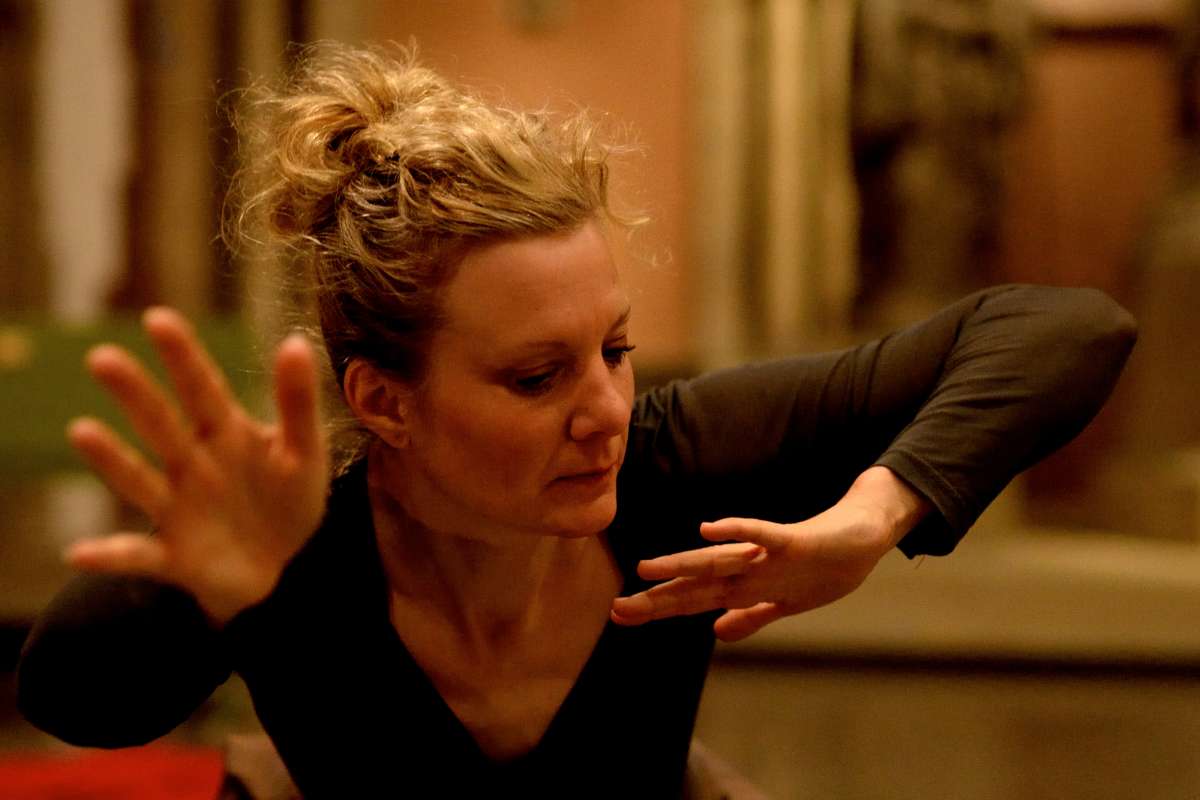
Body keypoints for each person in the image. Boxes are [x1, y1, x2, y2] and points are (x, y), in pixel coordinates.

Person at [16, 43, 1136, 798]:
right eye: (536, 377)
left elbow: (1069, 328)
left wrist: (871, 518)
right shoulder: (297, 547)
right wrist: (217, 591)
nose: (604, 411)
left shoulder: (674, 463)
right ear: (385, 402)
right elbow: (69, 700)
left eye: (615, 349)